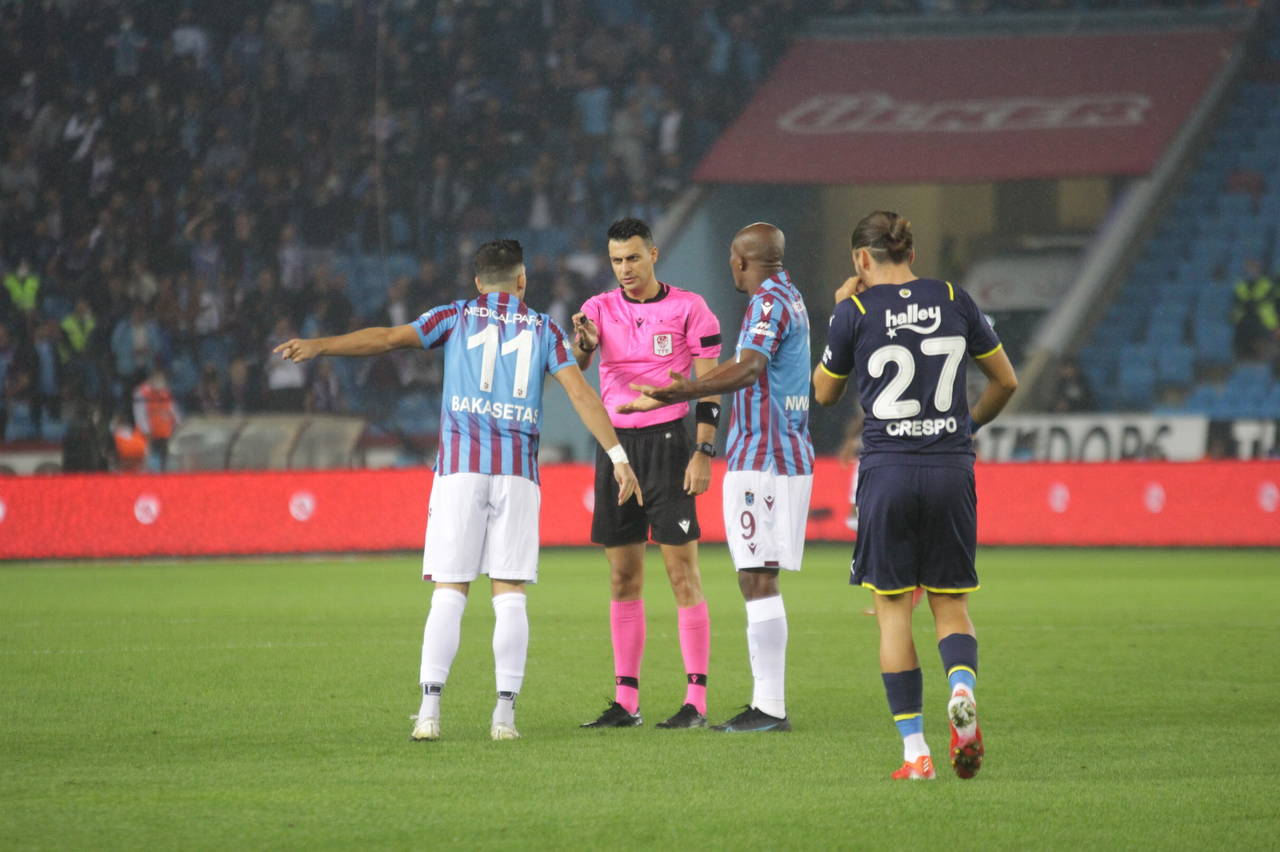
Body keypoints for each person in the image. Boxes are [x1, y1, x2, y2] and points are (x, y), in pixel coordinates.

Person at [274, 239, 641, 742]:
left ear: (476, 282)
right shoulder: (545, 330)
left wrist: (320, 346)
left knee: (449, 593)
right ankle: (504, 717)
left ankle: (428, 713)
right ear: (522, 280)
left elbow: (385, 339)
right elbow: (581, 394)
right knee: (510, 595)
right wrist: (619, 457)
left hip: (460, 471)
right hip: (517, 473)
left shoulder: (454, 315)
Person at [811, 211, 1018, 781]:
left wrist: (839, 314)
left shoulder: (853, 311)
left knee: (893, 609)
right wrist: (965, 427)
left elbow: (824, 393)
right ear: (910, 252)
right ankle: (961, 687)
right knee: (950, 604)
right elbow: (1007, 381)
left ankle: (916, 754)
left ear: (860, 260)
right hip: (951, 467)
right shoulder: (955, 298)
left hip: (888, 470)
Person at [623, 222, 812, 733]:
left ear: (743, 260)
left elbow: (749, 368)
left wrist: (684, 392)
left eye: (733, 258)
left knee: (756, 576)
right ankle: (766, 704)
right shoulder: (789, 296)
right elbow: (747, 364)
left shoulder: (767, 303)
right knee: (757, 574)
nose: (731, 266)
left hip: (765, 457)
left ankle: (769, 708)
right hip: (782, 454)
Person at [570, 218, 723, 730]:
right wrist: (585, 343)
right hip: (616, 447)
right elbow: (583, 361)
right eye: (616, 260)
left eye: (633, 258)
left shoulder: (690, 308)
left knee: (681, 572)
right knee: (622, 575)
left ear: (654, 254)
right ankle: (626, 702)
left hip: (669, 445)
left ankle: (695, 702)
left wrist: (703, 451)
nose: (625, 269)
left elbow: (709, 384)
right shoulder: (597, 309)